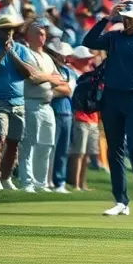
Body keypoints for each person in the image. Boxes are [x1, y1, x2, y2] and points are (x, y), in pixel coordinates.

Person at [82, 0, 133, 218]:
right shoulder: (113, 38)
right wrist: (107, 18)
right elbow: (88, 41)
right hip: (111, 99)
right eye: (123, 18)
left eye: (130, 18)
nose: (126, 22)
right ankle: (121, 201)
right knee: (114, 150)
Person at [0, 13, 36, 192]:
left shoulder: (20, 49)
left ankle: (6, 177)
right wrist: (2, 53)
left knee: (14, 141)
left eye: (11, 29)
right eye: (5, 30)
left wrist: (11, 53)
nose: (9, 32)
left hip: (18, 101)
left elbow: (28, 73)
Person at [17, 20, 64, 192]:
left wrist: (46, 78)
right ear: (28, 36)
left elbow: (60, 81)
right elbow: (32, 77)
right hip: (31, 103)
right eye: (38, 33)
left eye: (43, 33)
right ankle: (27, 182)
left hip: (47, 104)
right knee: (29, 144)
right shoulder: (26, 53)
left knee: (46, 144)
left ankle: (40, 182)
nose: (42, 36)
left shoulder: (47, 58)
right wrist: (49, 78)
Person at [46, 41, 77, 193]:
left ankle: (60, 182)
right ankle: (47, 180)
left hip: (67, 112)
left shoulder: (68, 72)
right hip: (54, 111)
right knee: (51, 147)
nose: (65, 58)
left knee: (63, 149)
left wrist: (56, 88)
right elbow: (48, 87)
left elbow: (69, 90)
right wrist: (59, 88)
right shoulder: (50, 70)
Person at [67, 46, 99, 192]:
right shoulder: (73, 73)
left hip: (93, 117)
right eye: (85, 59)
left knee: (86, 153)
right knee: (78, 152)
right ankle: (75, 184)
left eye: (89, 59)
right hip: (80, 116)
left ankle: (82, 182)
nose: (88, 61)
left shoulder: (90, 74)